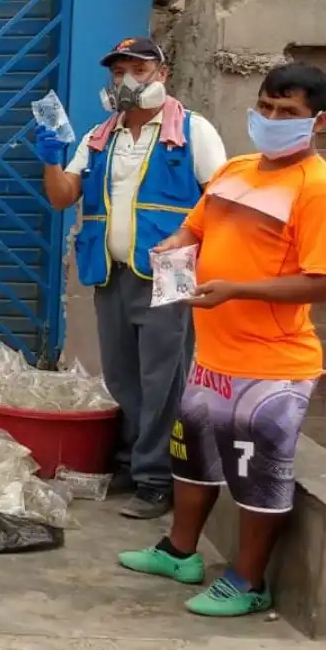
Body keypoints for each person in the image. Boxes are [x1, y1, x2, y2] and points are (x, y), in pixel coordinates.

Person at [120, 63, 326, 617]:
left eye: (289, 113)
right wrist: (173, 248)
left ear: (318, 121)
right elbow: (196, 227)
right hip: (214, 356)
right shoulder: (239, 170)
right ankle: (181, 552)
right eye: (266, 107)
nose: (272, 120)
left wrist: (235, 290)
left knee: (257, 477)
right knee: (192, 459)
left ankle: (248, 583)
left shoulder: (323, 192)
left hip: (271, 367)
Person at [35, 37, 226, 520]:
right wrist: (52, 157)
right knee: (122, 374)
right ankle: (134, 462)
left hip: (172, 269)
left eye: (137, 70)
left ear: (161, 74)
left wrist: (188, 239)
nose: (125, 81)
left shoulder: (193, 131)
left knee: (164, 375)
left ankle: (157, 478)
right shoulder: (101, 136)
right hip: (111, 270)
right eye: (118, 72)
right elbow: (62, 197)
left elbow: (220, 200)